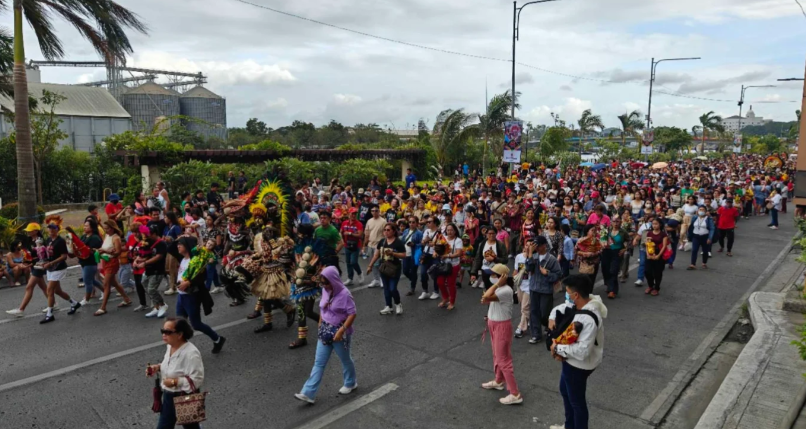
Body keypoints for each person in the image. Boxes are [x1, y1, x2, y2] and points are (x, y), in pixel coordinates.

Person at [548, 274, 607, 429]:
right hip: (572, 362)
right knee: (566, 392)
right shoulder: (587, 303)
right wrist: (553, 316)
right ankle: (569, 425)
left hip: (579, 365)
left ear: (576, 295)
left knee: (576, 402)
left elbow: (582, 351)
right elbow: (562, 308)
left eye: (567, 292)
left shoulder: (587, 319)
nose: (566, 295)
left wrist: (557, 348)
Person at [294, 266, 357, 404]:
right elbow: (323, 308)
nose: (324, 285)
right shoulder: (325, 290)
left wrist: (342, 330)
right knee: (319, 363)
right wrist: (320, 324)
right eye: (322, 283)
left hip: (339, 333)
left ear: (334, 280)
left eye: (326, 282)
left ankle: (351, 383)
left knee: (345, 360)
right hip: (325, 331)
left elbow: (352, 313)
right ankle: (308, 393)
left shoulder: (345, 294)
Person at [145, 318, 205, 429]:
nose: (163, 334)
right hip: (168, 396)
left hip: (185, 396)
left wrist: (174, 382)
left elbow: (197, 379)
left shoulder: (191, 353)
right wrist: (157, 367)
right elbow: (169, 365)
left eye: (168, 332)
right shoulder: (170, 346)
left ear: (179, 334)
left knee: (191, 427)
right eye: (162, 331)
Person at [173, 236, 226, 353]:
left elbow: (203, 276)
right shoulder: (181, 258)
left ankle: (217, 339)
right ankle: (181, 349)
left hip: (191, 296)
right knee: (178, 323)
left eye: (180, 244)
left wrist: (189, 282)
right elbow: (170, 248)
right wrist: (179, 238)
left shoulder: (196, 259)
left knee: (196, 324)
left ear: (187, 246)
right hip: (181, 296)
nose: (178, 246)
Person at [480, 264, 522, 405]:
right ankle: (498, 381)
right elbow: (487, 299)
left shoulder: (505, 290)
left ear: (500, 277)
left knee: (503, 359)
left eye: (492, 274)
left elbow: (486, 296)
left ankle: (515, 393)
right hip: (494, 323)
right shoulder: (499, 289)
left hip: (502, 327)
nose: (489, 276)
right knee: (497, 355)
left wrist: (496, 285)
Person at [41, 222, 82, 324]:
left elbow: (64, 256)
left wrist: (51, 263)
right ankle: (74, 303)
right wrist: (45, 262)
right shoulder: (49, 240)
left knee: (49, 290)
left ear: (57, 230)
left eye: (53, 228)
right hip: (50, 268)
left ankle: (49, 314)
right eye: (49, 228)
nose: (51, 230)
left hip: (58, 267)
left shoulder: (60, 241)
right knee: (57, 291)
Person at [526, 236, 562, 344]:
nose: (535, 247)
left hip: (546, 289)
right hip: (534, 288)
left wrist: (548, 274)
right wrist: (530, 255)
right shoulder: (533, 256)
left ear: (544, 245)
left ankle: (549, 325)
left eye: (537, 245)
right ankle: (536, 334)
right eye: (534, 245)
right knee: (534, 312)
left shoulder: (551, 259)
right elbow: (528, 269)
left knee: (544, 313)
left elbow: (559, 274)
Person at [6, 224, 48, 317]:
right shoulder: (29, 241)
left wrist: (28, 264)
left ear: (36, 231)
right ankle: (53, 303)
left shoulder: (40, 242)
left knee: (29, 287)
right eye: (28, 230)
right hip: (34, 266)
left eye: (30, 230)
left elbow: (40, 257)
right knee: (43, 287)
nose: (28, 232)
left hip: (38, 266)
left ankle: (21, 309)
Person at [367, 222, 406, 315]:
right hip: (384, 267)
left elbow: (404, 255)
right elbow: (376, 254)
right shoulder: (382, 241)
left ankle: (398, 304)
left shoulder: (398, 242)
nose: (386, 232)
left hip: (394, 268)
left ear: (393, 231)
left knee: (392, 288)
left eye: (388, 230)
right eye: (385, 230)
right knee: (386, 288)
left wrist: (393, 254)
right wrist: (370, 265)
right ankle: (388, 306)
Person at [96, 220, 133, 315]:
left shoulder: (116, 238)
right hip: (105, 261)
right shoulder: (107, 236)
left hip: (112, 262)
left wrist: (106, 251)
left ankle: (103, 307)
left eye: (107, 228)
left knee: (106, 284)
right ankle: (126, 298)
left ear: (112, 228)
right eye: (105, 228)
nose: (105, 230)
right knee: (114, 283)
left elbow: (118, 252)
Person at [136, 225, 170, 319]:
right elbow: (144, 254)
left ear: (155, 234)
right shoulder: (148, 242)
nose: (147, 236)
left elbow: (158, 256)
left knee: (152, 289)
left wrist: (145, 263)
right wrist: (138, 260)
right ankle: (156, 307)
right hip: (148, 269)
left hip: (157, 270)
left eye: (149, 234)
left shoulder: (161, 243)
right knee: (145, 285)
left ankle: (163, 305)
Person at [434, 223, 464, 310]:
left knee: (451, 284)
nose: (449, 232)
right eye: (448, 230)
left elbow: (459, 253)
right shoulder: (443, 238)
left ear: (455, 231)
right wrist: (436, 253)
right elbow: (436, 248)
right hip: (443, 264)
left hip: (453, 265)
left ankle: (452, 301)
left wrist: (447, 256)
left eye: (451, 230)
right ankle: (445, 298)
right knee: (440, 282)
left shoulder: (458, 240)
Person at [77, 220, 104, 305]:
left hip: (90, 262)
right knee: (91, 280)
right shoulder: (84, 236)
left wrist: (86, 250)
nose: (84, 227)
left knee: (87, 281)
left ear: (92, 227)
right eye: (84, 226)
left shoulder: (95, 237)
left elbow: (94, 250)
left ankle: (86, 299)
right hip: (84, 261)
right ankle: (105, 291)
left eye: (87, 226)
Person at [602, 217, 628, 299]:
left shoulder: (623, 232)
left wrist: (625, 249)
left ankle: (612, 291)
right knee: (605, 270)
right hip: (606, 252)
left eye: (617, 221)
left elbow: (629, 241)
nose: (616, 223)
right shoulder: (606, 230)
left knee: (613, 271)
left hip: (617, 252)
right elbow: (601, 239)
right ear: (611, 222)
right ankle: (609, 285)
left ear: (620, 222)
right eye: (614, 221)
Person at [645, 218, 670, 295]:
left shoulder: (663, 234)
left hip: (659, 254)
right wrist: (648, 254)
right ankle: (650, 286)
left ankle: (656, 288)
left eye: (656, 224)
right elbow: (647, 244)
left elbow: (664, 246)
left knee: (657, 272)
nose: (654, 225)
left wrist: (659, 255)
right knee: (647, 271)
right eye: (653, 224)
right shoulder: (649, 233)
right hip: (650, 253)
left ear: (660, 225)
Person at [340, 208, 364, 285]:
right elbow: (341, 232)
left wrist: (350, 233)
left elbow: (360, 235)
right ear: (348, 214)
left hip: (356, 245)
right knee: (348, 263)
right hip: (347, 245)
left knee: (353, 262)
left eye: (355, 214)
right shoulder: (344, 223)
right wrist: (342, 239)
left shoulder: (359, 224)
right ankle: (350, 278)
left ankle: (360, 273)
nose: (353, 215)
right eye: (352, 213)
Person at [401, 216, 423, 296]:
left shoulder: (419, 233)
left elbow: (422, 244)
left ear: (417, 223)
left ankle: (412, 288)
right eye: (410, 222)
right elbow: (403, 241)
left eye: (413, 222)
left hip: (414, 255)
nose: (411, 224)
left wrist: (414, 245)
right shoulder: (406, 231)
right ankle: (413, 279)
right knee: (405, 271)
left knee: (413, 271)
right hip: (406, 254)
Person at [513, 246, 531, 338]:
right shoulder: (519, 257)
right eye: (526, 245)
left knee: (524, 307)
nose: (528, 247)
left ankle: (521, 327)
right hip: (520, 285)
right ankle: (529, 320)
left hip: (530, 287)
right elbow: (516, 270)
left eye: (530, 245)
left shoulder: (535, 258)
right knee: (523, 306)